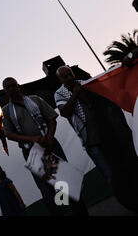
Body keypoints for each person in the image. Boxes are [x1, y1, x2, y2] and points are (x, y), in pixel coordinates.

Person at [55, 66, 138, 211]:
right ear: (60, 79)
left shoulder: (86, 83)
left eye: (70, 74)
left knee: (125, 168)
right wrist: (74, 94)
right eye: (65, 76)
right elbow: (65, 112)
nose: (69, 78)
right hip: (91, 141)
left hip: (108, 135)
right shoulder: (59, 94)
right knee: (110, 176)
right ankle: (129, 204)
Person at [1, 77, 88, 216]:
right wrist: (32, 139)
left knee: (66, 184)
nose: (11, 88)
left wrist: (49, 138)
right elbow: (9, 134)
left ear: (18, 86)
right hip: (32, 152)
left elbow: (52, 118)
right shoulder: (6, 111)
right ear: (5, 91)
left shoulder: (35, 99)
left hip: (51, 145)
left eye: (13, 85)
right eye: (8, 87)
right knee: (47, 190)